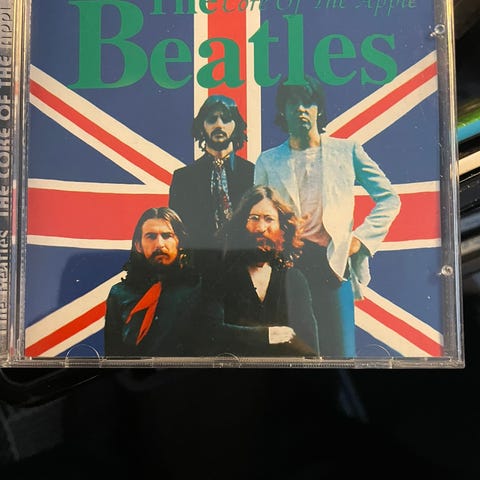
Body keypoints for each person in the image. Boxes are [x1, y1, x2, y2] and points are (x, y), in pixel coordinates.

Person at [254, 75, 401, 358]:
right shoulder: (268, 160)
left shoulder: (346, 151)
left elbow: (389, 198)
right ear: (283, 110)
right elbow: (258, 216)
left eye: (307, 102)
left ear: (318, 108)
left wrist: (361, 240)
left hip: (332, 263)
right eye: (292, 102)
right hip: (288, 266)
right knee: (294, 353)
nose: (300, 108)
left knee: (341, 355)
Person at [213, 185, 320, 357]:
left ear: (282, 229)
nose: (261, 228)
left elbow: (310, 351)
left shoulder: (294, 280)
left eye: (269, 219)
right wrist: (267, 335)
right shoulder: (221, 275)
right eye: (254, 218)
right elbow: (209, 332)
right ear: (241, 224)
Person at [104, 207, 208, 357]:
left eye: (167, 236)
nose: (159, 244)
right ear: (138, 245)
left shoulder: (199, 287)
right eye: (151, 236)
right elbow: (113, 356)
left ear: (180, 242)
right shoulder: (119, 294)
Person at [169, 95, 254, 275]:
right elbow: (177, 233)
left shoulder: (253, 173)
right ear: (202, 126)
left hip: (246, 269)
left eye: (226, 118)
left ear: (236, 125)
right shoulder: (183, 178)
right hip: (199, 272)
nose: (219, 125)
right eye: (212, 119)